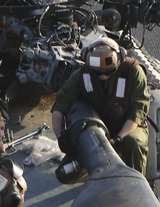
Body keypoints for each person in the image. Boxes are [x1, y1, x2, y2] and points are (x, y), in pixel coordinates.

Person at [51, 36, 151, 175]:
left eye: (109, 72)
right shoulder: (82, 74)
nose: (103, 76)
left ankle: (137, 181)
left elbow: (138, 111)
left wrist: (118, 138)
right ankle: (99, 175)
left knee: (134, 143)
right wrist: (61, 136)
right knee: (66, 175)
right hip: (97, 128)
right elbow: (60, 106)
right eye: (97, 73)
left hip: (128, 126)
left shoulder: (132, 71)